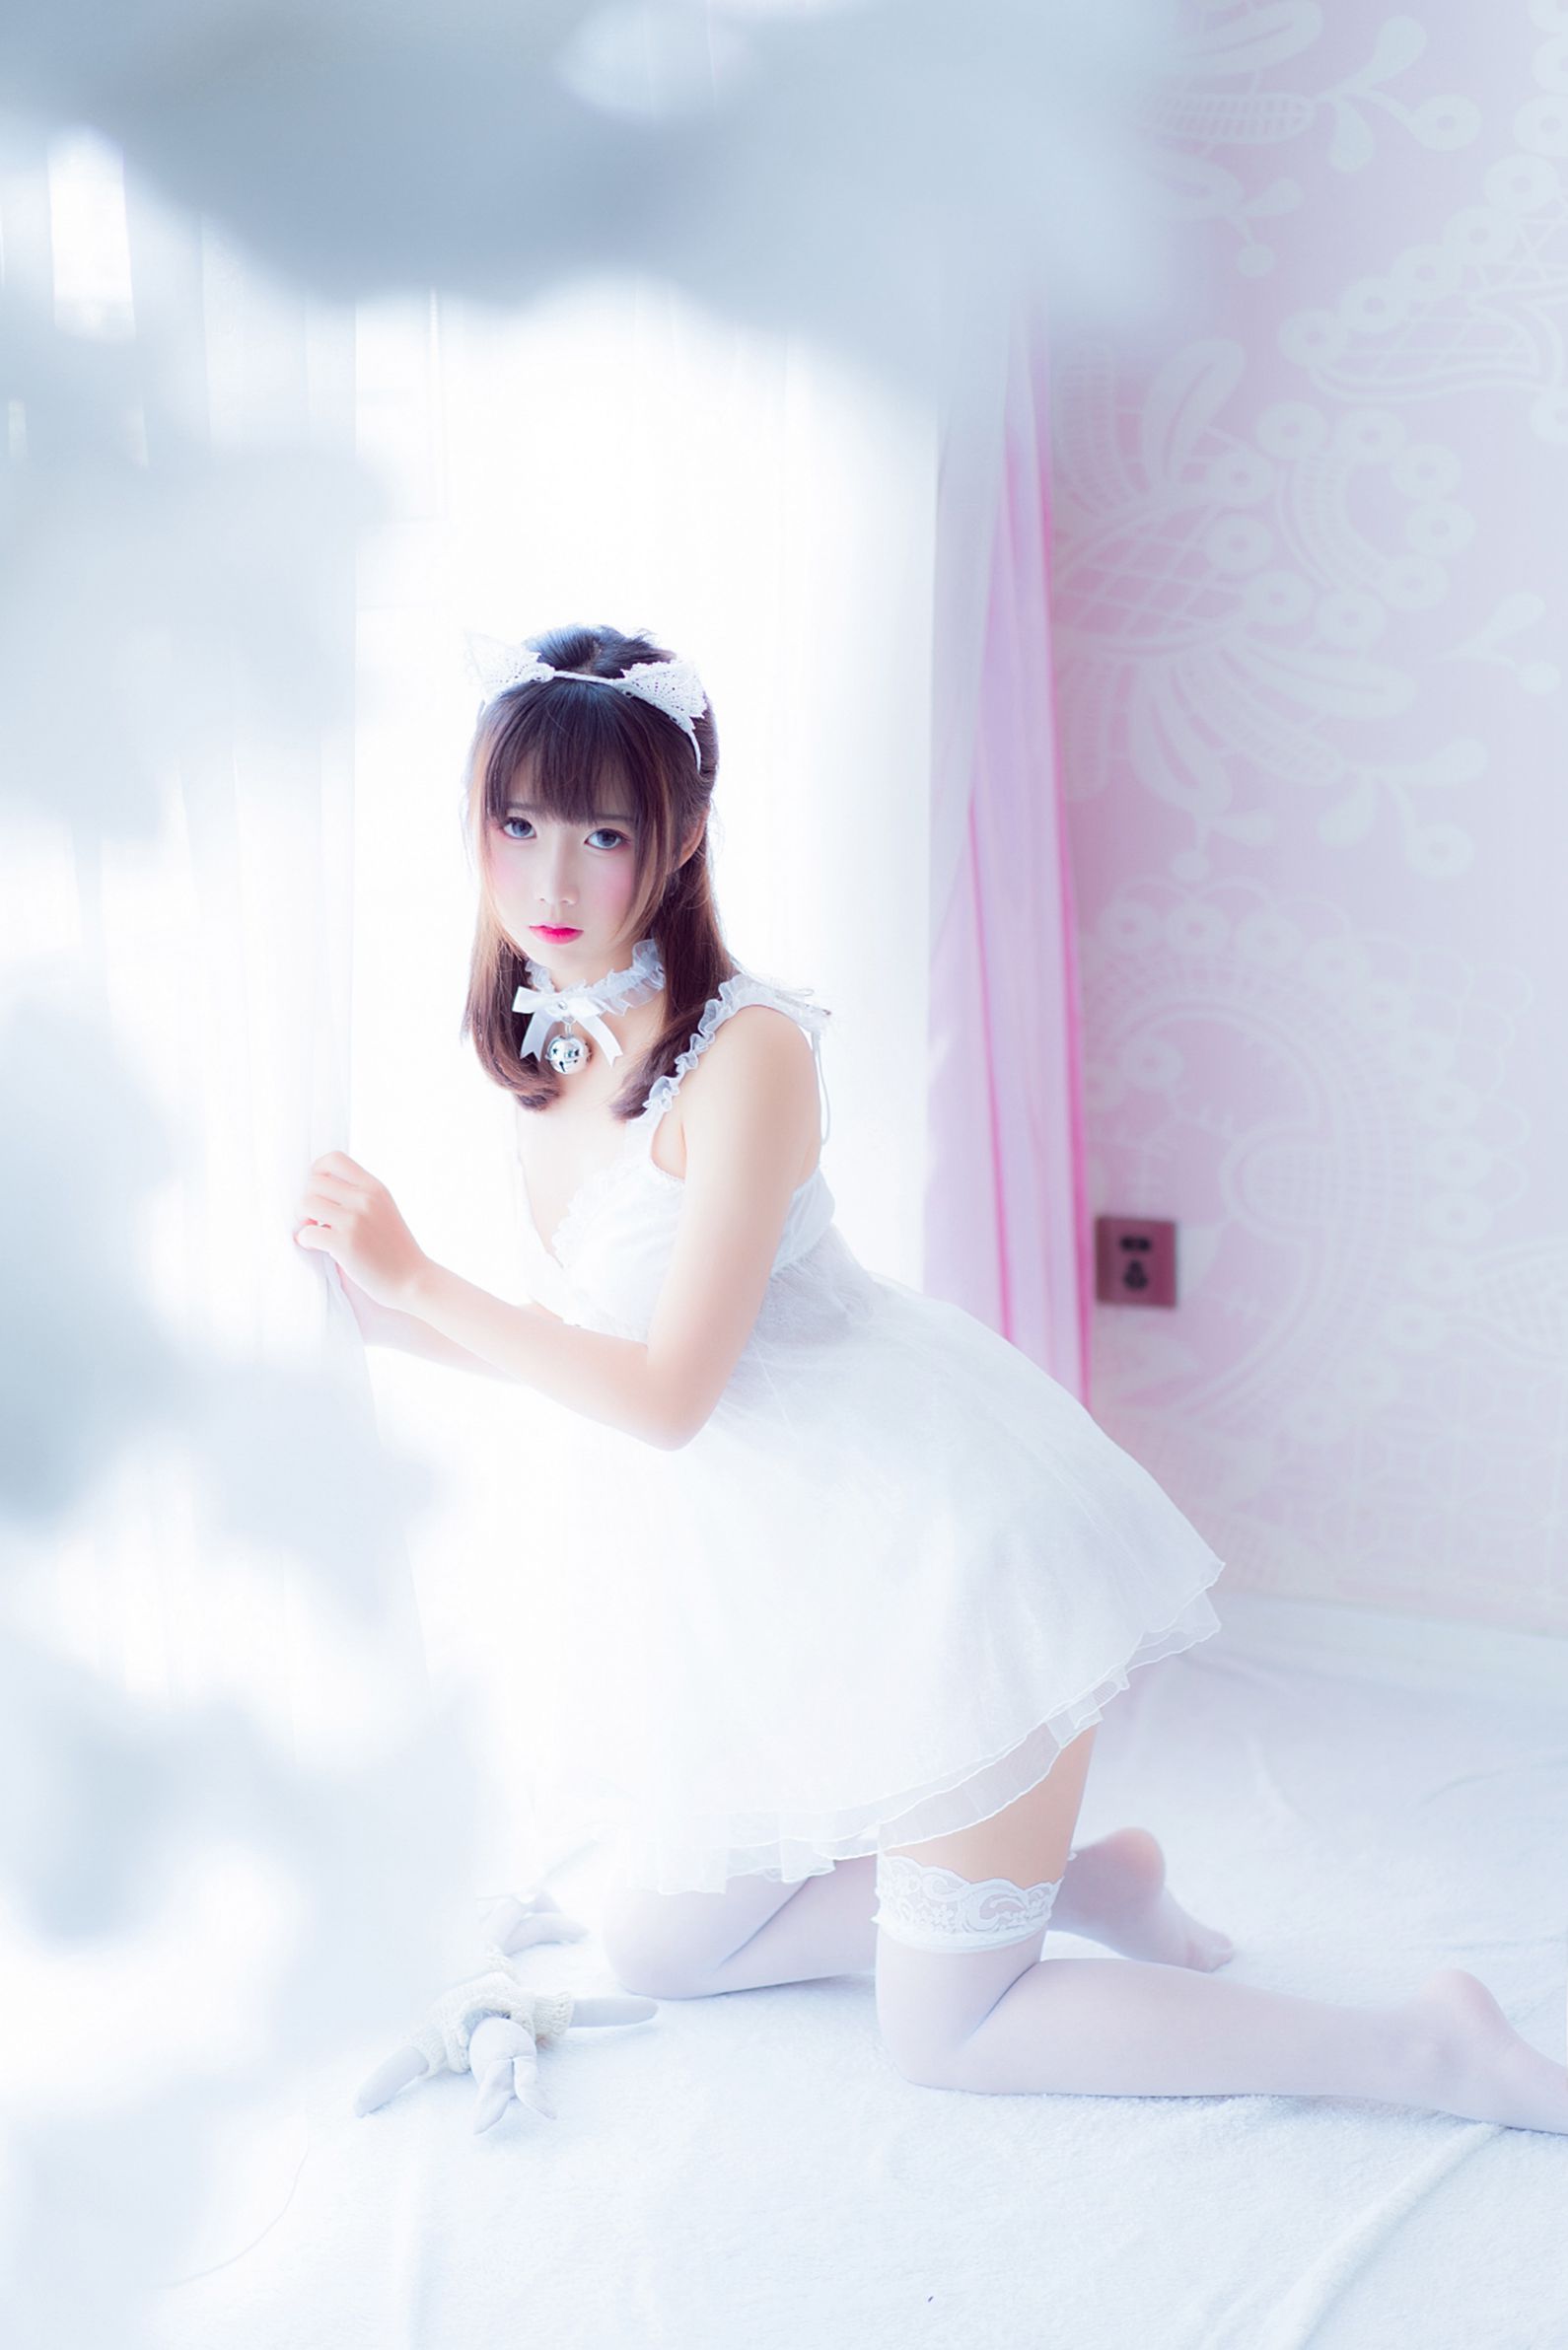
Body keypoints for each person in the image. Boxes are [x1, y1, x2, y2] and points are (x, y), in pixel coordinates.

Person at [295, 622, 1568, 2131]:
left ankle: (1421, 2048)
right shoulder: (551, 1040)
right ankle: (1085, 1881)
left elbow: (664, 1396)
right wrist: (365, 1315)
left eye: (602, 833)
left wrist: (418, 1279)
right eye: (515, 825)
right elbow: (573, 1339)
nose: (549, 878)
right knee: (659, 1945)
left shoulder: (746, 1052)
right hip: (795, 1577)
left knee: (950, 2032)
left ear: (680, 839)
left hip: (943, 1545)